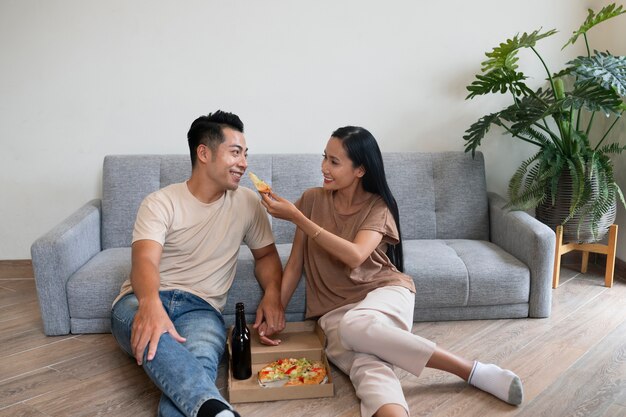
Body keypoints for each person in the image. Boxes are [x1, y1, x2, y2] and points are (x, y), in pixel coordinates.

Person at [259, 126, 524, 417]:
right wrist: (277, 311)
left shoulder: (378, 207)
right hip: (334, 311)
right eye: (325, 158)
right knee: (368, 368)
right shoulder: (312, 199)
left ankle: (470, 370)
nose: (324, 167)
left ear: (360, 170)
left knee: (355, 326)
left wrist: (298, 217)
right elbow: (296, 264)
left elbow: (355, 255)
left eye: (334, 162)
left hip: (383, 292)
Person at [110, 110, 285, 417]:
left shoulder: (247, 202)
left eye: (245, 153)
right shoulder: (160, 202)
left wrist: (273, 293)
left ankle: (214, 412)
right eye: (235, 152)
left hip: (202, 310)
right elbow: (144, 261)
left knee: (195, 368)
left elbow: (267, 255)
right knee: (161, 342)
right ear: (204, 153)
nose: (244, 162)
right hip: (141, 300)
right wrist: (150, 305)